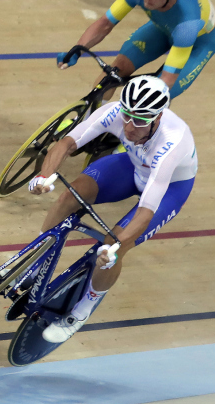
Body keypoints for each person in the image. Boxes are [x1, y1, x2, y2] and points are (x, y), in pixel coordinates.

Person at [28, 76, 197, 343]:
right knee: (68, 197)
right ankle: (36, 260)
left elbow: (146, 210)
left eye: (140, 121)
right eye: (127, 116)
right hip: (133, 166)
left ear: (157, 118)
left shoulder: (172, 141)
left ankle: (82, 311)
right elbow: (67, 143)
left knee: (111, 244)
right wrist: (44, 176)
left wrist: (115, 248)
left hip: (169, 188)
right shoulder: (115, 112)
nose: (129, 127)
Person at [58, 0, 215, 101]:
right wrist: (77, 50)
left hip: (197, 45)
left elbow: (167, 79)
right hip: (163, 29)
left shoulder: (188, 23)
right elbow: (105, 24)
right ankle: (89, 120)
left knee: (152, 98)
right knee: (114, 72)